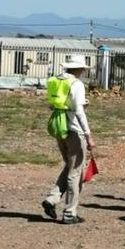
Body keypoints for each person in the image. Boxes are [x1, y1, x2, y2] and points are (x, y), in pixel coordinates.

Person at [42, 56, 97, 224]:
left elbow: (54, 104)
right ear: (79, 69)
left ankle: (52, 199)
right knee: (75, 172)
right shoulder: (76, 84)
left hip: (60, 127)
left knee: (70, 166)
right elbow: (79, 111)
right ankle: (69, 213)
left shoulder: (57, 81)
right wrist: (88, 135)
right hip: (75, 130)